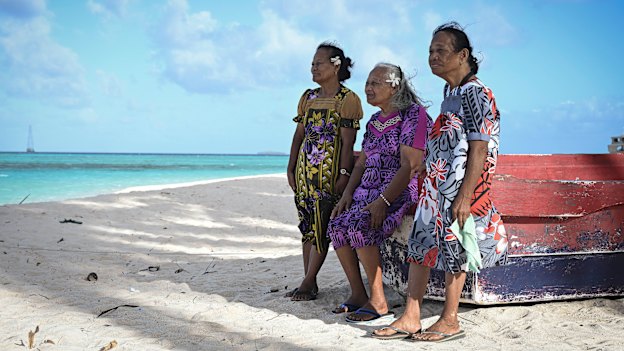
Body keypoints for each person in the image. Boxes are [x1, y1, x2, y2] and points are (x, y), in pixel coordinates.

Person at [372, 22, 508, 342]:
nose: (433, 56)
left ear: (462, 55)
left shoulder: (476, 93)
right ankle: (411, 316)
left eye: (441, 50)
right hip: (436, 187)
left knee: (454, 249)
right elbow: (449, 138)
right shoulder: (450, 93)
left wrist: (465, 196)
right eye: (430, 51)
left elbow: (479, 146)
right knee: (420, 246)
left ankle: (450, 319)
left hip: (459, 188)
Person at [327, 63, 431, 322]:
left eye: (375, 83)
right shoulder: (374, 121)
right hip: (366, 192)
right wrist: (347, 194)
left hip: (397, 193)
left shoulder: (413, 116)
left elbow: (410, 165)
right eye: (367, 83)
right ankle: (358, 294)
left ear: (394, 86)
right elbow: (362, 161)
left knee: (359, 227)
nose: (368, 88)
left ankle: (379, 300)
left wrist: (383, 201)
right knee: (336, 225)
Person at [286, 42, 363, 301]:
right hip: (304, 174)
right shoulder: (307, 97)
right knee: (307, 225)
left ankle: (308, 282)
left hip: (329, 174)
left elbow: (348, 142)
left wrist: (343, 173)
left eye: (318, 63)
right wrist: (291, 165)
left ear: (335, 65)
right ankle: (309, 279)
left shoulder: (347, 100)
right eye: (312, 64)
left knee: (322, 225)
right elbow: (299, 135)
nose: (313, 68)